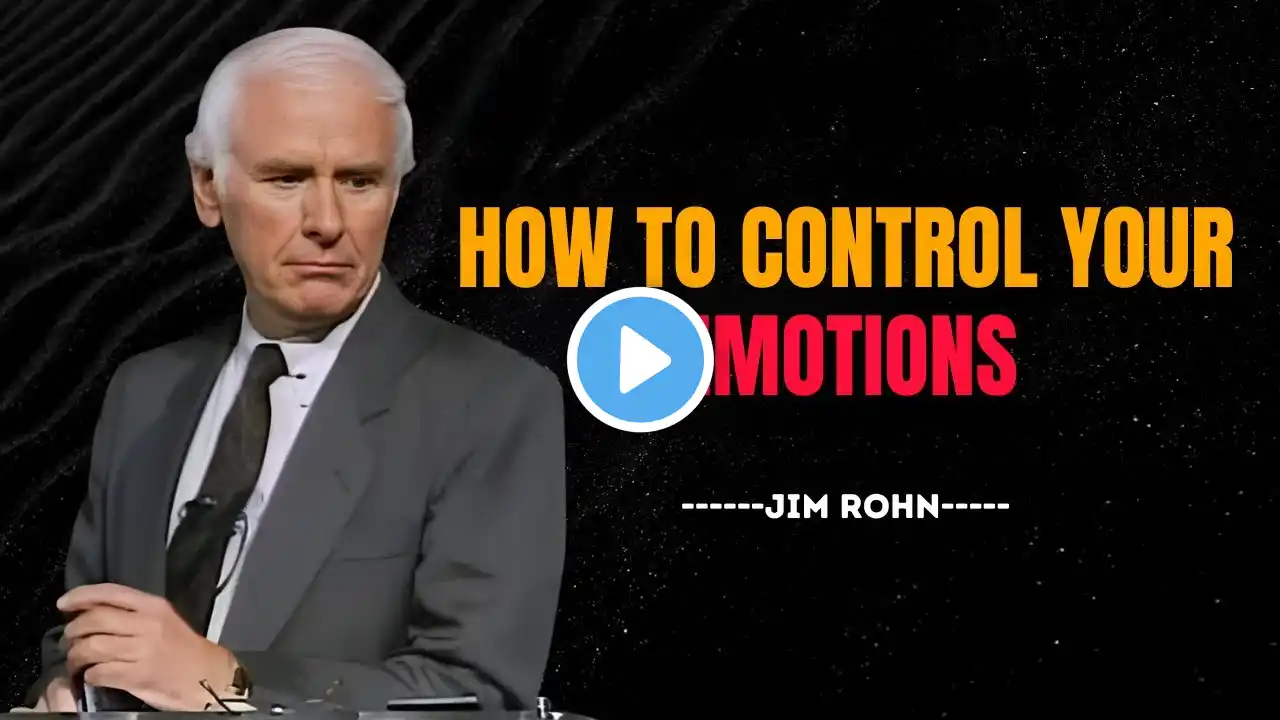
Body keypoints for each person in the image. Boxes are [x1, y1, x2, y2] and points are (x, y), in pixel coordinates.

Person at [18, 27, 566, 713]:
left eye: (359, 181)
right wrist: (65, 691)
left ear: (395, 192)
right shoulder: (144, 390)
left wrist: (228, 679)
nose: (327, 222)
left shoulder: (493, 401)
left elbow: (478, 694)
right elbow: (81, 636)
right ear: (208, 188)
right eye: (287, 178)